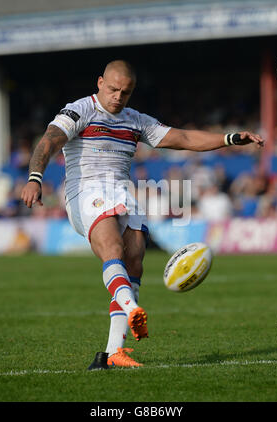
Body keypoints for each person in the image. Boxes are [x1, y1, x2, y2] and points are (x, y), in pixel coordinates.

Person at [21, 60, 264, 370]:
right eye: (113, 90)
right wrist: (35, 177)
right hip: (86, 191)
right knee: (113, 248)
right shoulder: (80, 110)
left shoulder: (135, 120)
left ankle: (113, 353)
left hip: (122, 192)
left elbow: (184, 139)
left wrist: (229, 139)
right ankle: (131, 306)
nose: (118, 97)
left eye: (126, 92)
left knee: (135, 257)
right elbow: (49, 140)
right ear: (99, 83)